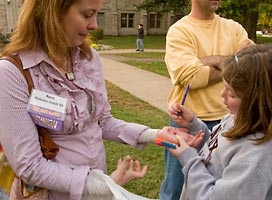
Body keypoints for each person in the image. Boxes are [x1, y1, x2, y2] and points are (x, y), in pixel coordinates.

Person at [0, 0, 195, 199]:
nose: (94, 24)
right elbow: (29, 165)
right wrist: (101, 185)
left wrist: (154, 135)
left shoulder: (89, 58)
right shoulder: (13, 72)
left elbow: (103, 122)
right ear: (53, 12)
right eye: (87, 14)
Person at [160, 0, 254, 199]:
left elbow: (248, 69)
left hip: (231, 120)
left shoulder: (234, 28)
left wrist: (204, 61)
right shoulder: (180, 31)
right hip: (186, 122)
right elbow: (191, 78)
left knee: (217, 186)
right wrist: (232, 60)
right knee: (175, 190)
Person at [167, 43, 272, 200]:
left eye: (231, 93)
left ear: (258, 101)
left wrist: (188, 158)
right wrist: (194, 126)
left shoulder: (253, 160)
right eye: (224, 87)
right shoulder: (238, 118)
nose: (222, 95)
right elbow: (217, 148)